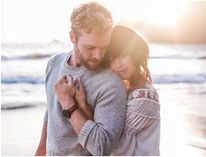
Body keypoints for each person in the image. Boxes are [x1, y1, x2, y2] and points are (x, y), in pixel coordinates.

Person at [34, 2, 127, 156]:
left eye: (104, 47)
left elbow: (102, 148)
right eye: (90, 47)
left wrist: (68, 103)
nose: (98, 55)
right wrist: (41, 149)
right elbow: (50, 110)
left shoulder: (111, 84)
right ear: (73, 37)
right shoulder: (54, 63)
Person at [56, 25, 161, 155]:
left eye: (123, 55)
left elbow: (113, 148)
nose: (119, 64)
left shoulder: (143, 99)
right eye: (111, 59)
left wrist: (81, 104)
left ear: (135, 52)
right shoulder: (131, 87)